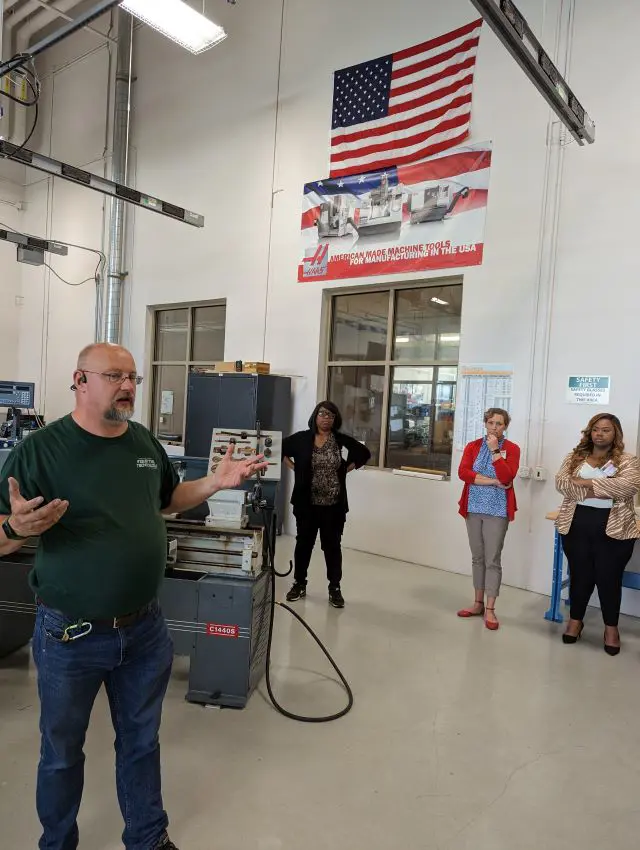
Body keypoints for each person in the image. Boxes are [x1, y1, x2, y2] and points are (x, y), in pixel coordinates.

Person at [0, 343, 266, 850]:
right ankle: (57, 842)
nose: (127, 386)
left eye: (134, 378)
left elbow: (167, 500)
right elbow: (2, 533)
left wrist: (213, 483)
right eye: (115, 376)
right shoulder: (41, 450)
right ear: (80, 379)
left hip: (144, 630)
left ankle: (146, 837)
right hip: (69, 634)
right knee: (61, 751)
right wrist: (15, 525)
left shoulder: (143, 443)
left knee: (142, 743)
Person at [555, 413, 640, 655]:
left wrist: (585, 484)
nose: (600, 434)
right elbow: (561, 483)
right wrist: (603, 491)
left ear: (616, 434)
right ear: (589, 432)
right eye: (596, 429)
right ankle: (575, 620)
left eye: (606, 430)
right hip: (577, 524)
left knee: (608, 579)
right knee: (580, 575)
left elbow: (629, 486)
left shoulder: (627, 460)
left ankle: (611, 629)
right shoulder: (574, 457)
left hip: (614, 528)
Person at [282, 401, 370, 608]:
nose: (326, 418)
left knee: (332, 547)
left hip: (333, 506)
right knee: (304, 544)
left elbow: (363, 453)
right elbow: (278, 448)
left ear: (335, 419)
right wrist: (295, 468)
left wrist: (345, 470)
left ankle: (335, 588)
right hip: (306, 504)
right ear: (315, 416)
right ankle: (299, 583)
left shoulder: (339, 439)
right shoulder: (303, 438)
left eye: (331, 415)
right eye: (322, 414)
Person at [457, 408, 520, 630]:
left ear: (505, 427)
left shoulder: (511, 449)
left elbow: (506, 476)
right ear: (485, 423)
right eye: (491, 422)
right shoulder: (473, 446)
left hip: (497, 510)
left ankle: (490, 608)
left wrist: (495, 451)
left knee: (492, 559)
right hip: (473, 507)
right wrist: (492, 482)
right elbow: (463, 473)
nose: (495, 427)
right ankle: (477, 603)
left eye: (500, 424)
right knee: (477, 558)